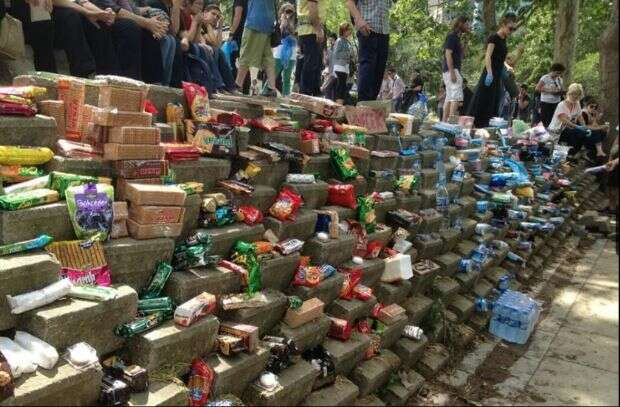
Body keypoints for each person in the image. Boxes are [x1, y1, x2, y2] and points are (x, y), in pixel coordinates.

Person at [468, 13, 518, 128]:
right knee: (483, 100)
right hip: (489, 74)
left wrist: (507, 66)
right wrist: (489, 73)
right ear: (503, 25)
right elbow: (488, 56)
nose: (511, 31)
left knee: (494, 102)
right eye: (510, 28)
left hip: (498, 75)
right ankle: (475, 125)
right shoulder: (493, 38)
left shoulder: (504, 40)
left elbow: (500, 59)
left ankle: (488, 126)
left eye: (513, 29)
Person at [346, 0, 392, 101]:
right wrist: (358, 20)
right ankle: (363, 104)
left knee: (379, 72)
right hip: (368, 29)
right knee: (367, 69)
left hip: (384, 32)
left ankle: (371, 104)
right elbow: (349, 2)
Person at [549, 83, 606, 160]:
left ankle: (583, 153)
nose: (575, 97)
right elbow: (564, 120)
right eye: (574, 95)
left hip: (570, 128)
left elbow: (580, 117)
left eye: (578, 95)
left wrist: (585, 127)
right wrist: (578, 127)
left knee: (592, 133)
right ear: (569, 93)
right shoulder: (561, 105)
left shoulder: (577, 104)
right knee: (577, 133)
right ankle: (571, 154)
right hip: (557, 130)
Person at [234, 0, 278, 96]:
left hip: (254, 22)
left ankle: (238, 85)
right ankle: (272, 88)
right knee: (267, 56)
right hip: (268, 23)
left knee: (245, 52)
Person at [201, 4, 237, 92]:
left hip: (209, 51)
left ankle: (230, 87)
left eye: (217, 16)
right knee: (216, 51)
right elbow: (214, 42)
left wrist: (220, 27)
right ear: (205, 13)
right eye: (213, 14)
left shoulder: (208, 27)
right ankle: (218, 86)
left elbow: (218, 45)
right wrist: (208, 25)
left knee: (219, 51)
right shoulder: (201, 24)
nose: (215, 18)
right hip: (198, 49)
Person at [442, 15, 470, 122]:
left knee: (449, 97)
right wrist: (452, 72)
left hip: (451, 70)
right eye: (467, 24)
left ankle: (444, 122)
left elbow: (463, 55)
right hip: (452, 70)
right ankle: (451, 123)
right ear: (460, 23)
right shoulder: (452, 36)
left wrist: (466, 41)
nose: (469, 26)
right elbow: (448, 54)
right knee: (455, 97)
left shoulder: (457, 38)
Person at [296, 0, 327, 96]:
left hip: (308, 30)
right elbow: (312, 7)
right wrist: (318, 30)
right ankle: (305, 94)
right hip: (311, 30)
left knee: (315, 63)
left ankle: (314, 92)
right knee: (311, 63)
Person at [269, 2, 297, 96]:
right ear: (282, 11)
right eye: (287, 11)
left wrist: (290, 24)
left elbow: (296, 36)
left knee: (287, 77)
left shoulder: (296, 23)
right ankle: (266, 92)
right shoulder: (278, 22)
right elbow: (277, 35)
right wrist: (282, 23)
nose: (289, 13)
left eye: (291, 11)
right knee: (273, 74)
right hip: (279, 52)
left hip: (291, 53)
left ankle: (286, 96)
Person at [228, 0, 250, 93]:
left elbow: (238, 16)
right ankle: (245, 89)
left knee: (234, 62)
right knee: (244, 62)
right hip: (247, 33)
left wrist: (231, 33)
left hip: (239, 35)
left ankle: (236, 86)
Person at [535, 63, 565, 128]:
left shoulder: (559, 79)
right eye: (557, 73)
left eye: (560, 73)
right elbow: (537, 88)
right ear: (553, 70)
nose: (558, 75)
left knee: (554, 120)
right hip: (546, 102)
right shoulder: (545, 78)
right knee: (546, 121)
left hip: (556, 102)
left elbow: (561, 89)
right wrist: (550, 91)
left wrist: (561, 92)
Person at [331, 22, 353, 105]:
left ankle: (340, 103)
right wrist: (347, 54)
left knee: (343, 86)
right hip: (340, 66)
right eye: (349, 30)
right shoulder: (339, 41)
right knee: (341, 85)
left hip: (345, 67)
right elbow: (336, 54)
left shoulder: (347, 41)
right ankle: (338, 104)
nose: (350, 31)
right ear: (344, 30)